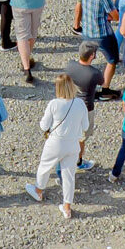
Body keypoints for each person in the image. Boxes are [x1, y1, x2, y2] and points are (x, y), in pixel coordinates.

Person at [26, 75, 90, 219]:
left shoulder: (54, 104)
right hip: (73, 143)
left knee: (45, 166)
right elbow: (85, 126)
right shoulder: (80, 103)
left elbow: (44, 126)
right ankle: (67, 207)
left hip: (56, 142)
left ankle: (38, 190)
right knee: (69, 175)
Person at [77, 0, 120, 90]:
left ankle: (82, 84)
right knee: (112, 60)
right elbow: (116, 16)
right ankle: (105, 88)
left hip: (87, 31)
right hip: (102, 34)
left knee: (86, 58)